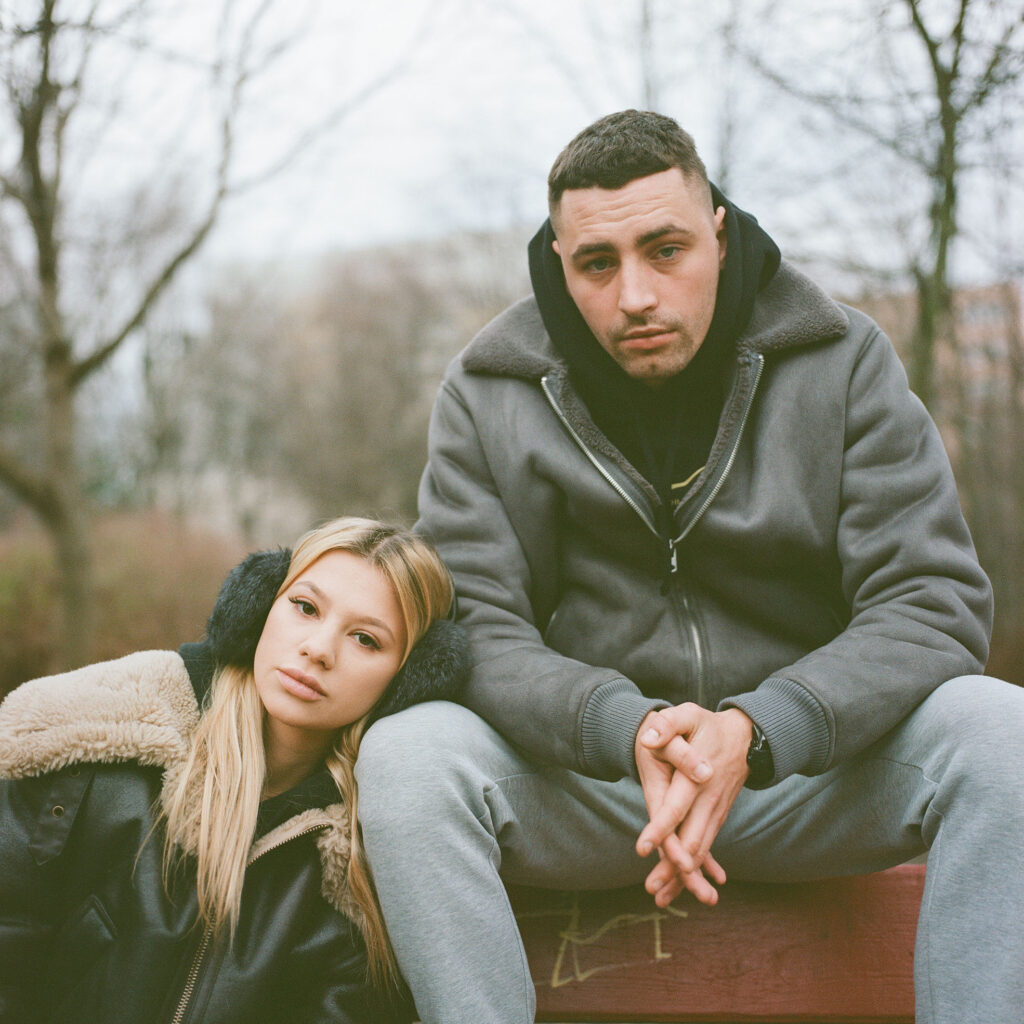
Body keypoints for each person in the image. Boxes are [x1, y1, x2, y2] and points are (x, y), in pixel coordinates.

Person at [354, 110, 1024, 1024]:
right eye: (598, 263)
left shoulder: (842, 357)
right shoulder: (488, 389)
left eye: (664, 249)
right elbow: (475, 626)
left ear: (718, 231)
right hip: (602, 786)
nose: (635, 294)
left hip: (805, 778)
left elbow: (931, 601)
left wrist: (758, 728)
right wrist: (623, 725)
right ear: (559, 262)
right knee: (409, 755)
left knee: (1000, 730)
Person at [0, 516, 467, 1024]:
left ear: (409, 681)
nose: (318, 649)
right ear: (259, 606)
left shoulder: (367, 864)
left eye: (366, 639)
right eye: (305, 607)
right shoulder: (90, 747)